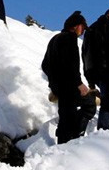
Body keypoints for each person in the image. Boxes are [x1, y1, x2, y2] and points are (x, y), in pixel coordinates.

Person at [41, 11, 97, 144]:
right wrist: (78, 83)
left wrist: (54, 81)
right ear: (76, 26)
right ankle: (75, 137)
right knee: (89, 105)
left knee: (65, 114)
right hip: (70, 86)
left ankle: (62, 142)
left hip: (58, 87)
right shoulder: (69, 38)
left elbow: (45, 65)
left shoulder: (55, 39)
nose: (83, 31)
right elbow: (70, 63)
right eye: (83, 27)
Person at [82, 7, 109, 130]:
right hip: (107, 69)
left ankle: (101, 126)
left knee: (103, 99)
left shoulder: (90, 29)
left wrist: (88, 75)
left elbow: (85, 52)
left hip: (93, 71)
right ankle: (103, 128)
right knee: (108, 101)